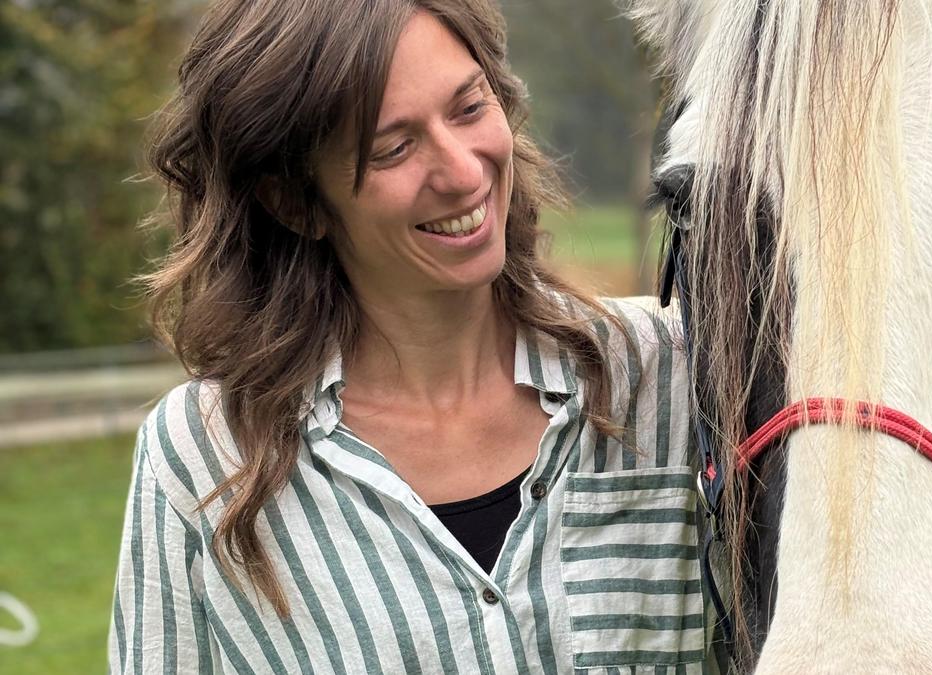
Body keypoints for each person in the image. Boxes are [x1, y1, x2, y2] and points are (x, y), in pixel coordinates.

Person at [108, 0, 722, 672]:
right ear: (295, 201)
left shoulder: (673, 375)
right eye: (394, 147)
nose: (463, 172)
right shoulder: (205, 456)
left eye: (468, 109)